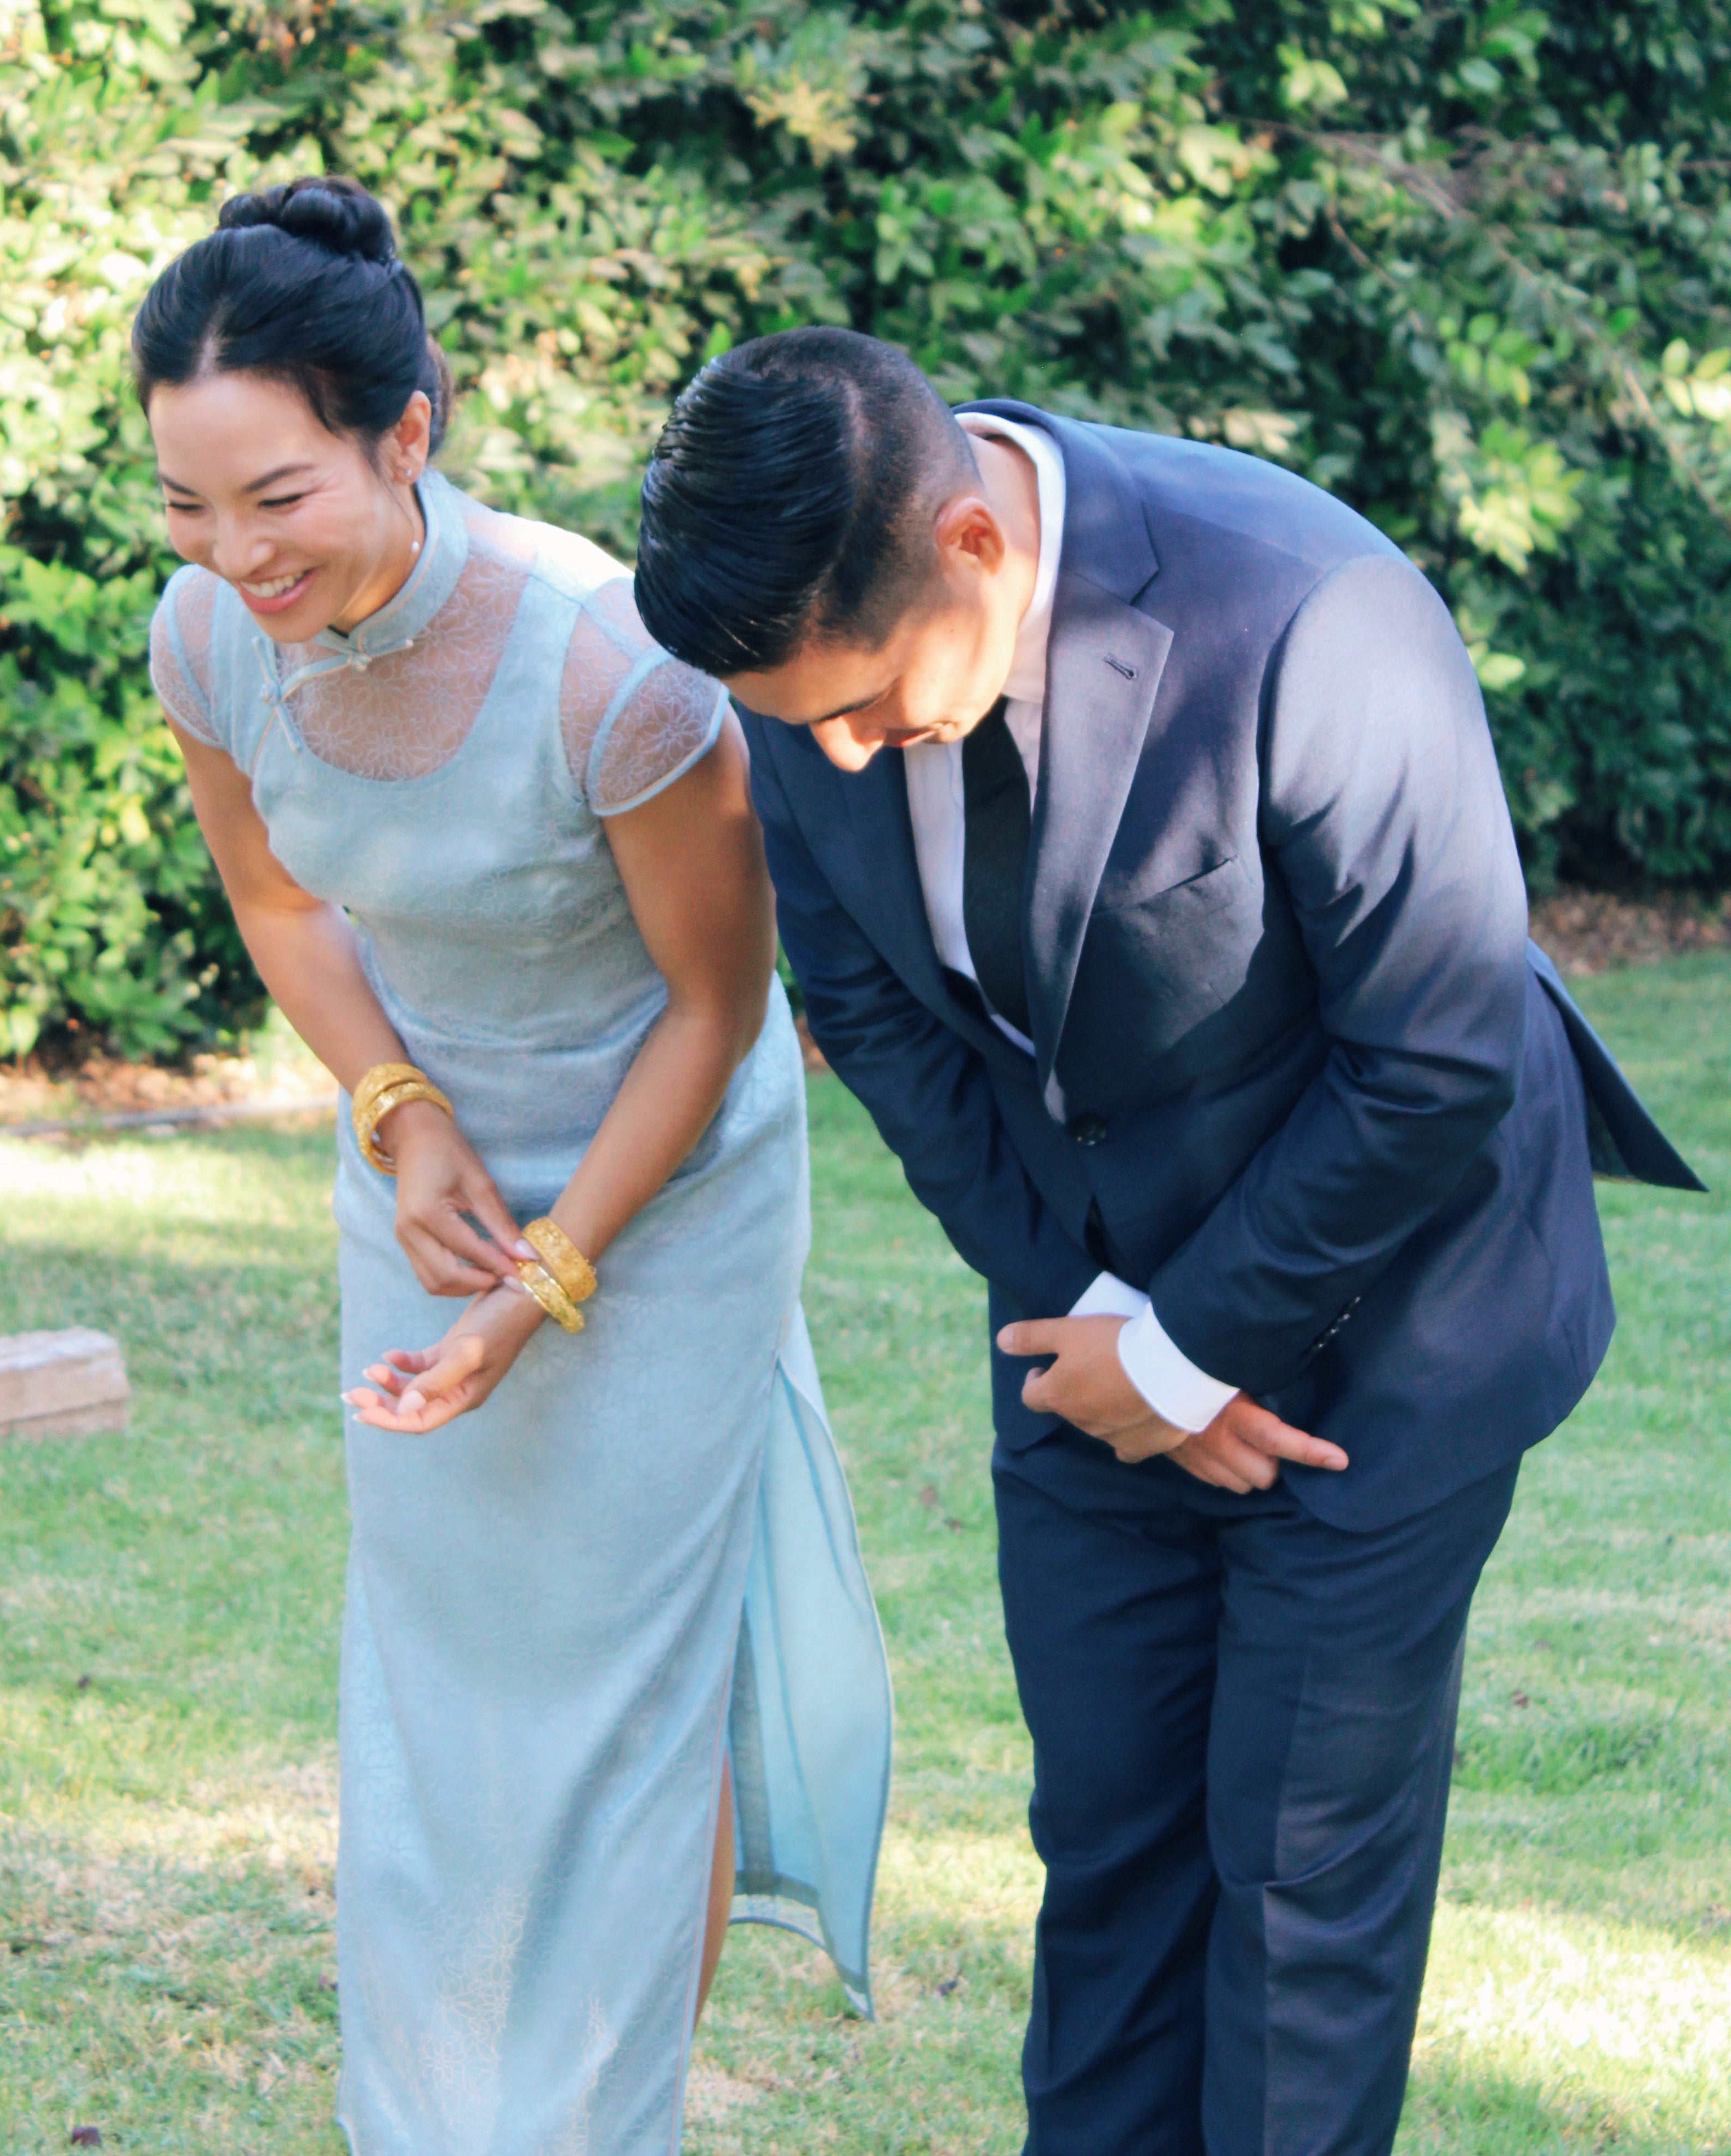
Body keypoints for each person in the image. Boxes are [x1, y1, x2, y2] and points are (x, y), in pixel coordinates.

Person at [631, 327, 1699, 2156]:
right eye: (790, 717)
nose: (832, 752)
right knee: (1109, 1840)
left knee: (1294, 1878)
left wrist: (1191, 1346)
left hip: (1401, 1306)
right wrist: (1105, 1345)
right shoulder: (796, 638)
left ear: (971, 545)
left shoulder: (1310, 613)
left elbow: (1434, 1052)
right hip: (1084, 1320)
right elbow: (876, 1017)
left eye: (866, 702)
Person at [132, 186, 890, 2156]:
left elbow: (721, 1015)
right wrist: (397, 1111)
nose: (235, 555)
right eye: (191, 508)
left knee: (622, 1714)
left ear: (410, 425)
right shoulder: (208, 641)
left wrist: (549, 1275)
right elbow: (282, 903)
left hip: (662, 1206)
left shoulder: (609, 669)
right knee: (439, 1707)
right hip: (424, 1176)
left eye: (278, 495)